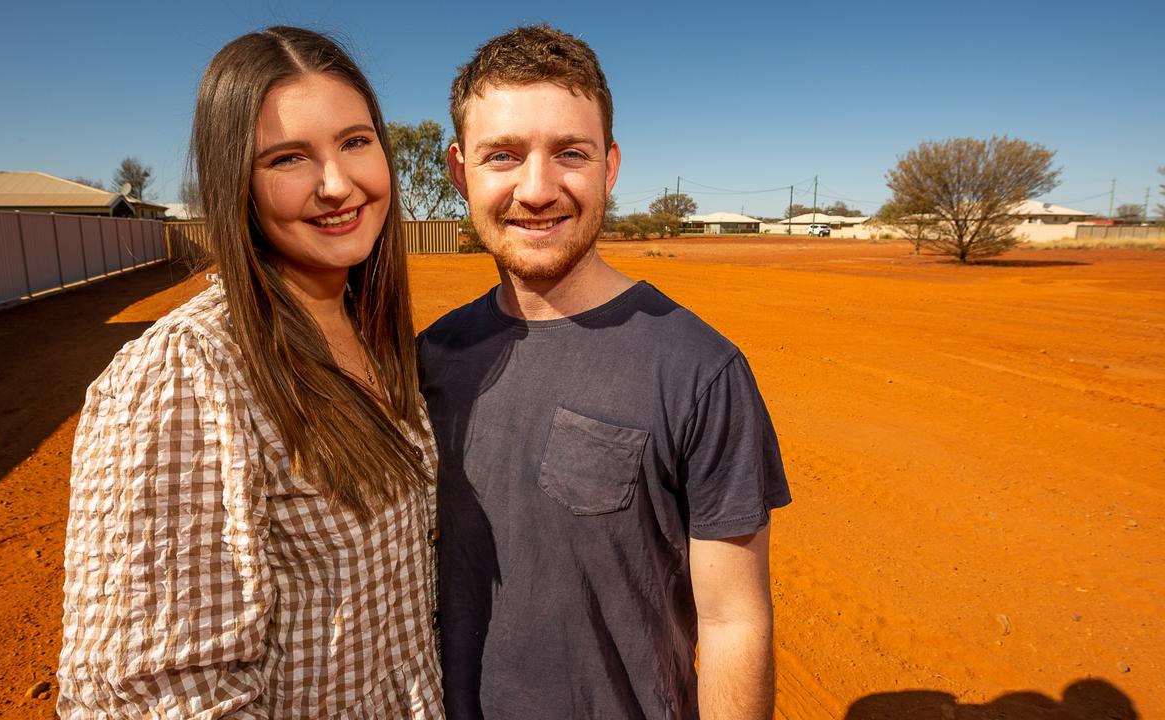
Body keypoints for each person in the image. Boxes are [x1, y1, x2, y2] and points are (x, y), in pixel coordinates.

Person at [57, 26, 443, 718]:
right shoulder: (189, 375)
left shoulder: (375, 336)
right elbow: (160, 696)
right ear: (237, 180)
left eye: (356, 142)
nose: (337, 184)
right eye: (289, 158)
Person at [419, 25, 791, 720]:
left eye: (570, 153)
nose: (537, 189)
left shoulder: (701, 372)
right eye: (503, 155)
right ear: (460, 171)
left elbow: (734, 621)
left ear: (610, 167)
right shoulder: (429, 359)